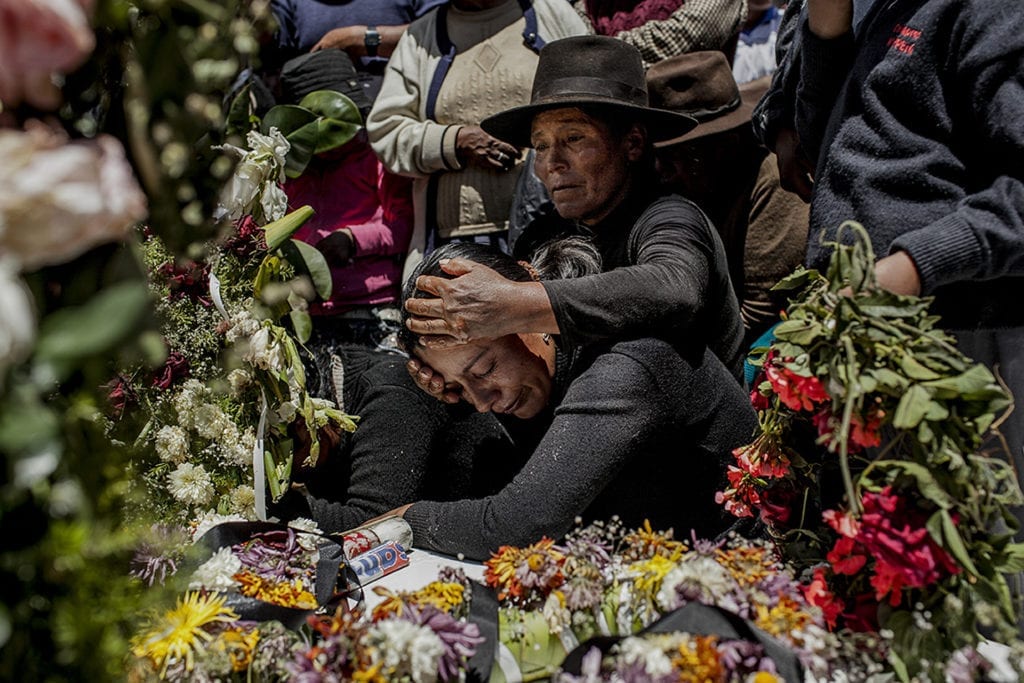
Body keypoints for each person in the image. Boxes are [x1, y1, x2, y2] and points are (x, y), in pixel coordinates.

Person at [404, 35, 746, 407]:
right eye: (541, 146)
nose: (553, 163)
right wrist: (456, 377)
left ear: (632, 143)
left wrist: (514, 303)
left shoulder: (669, 217)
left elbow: (675, 289)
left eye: (573, 137)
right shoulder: (542, 235)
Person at [386, 241, 757, 560]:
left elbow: (517, 524)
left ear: (519, 308)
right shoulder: (548, 369)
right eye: (460, 386)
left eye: (484, 369)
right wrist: (459, 399)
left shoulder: (624, 364)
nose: (481, 402)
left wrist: (405, 519)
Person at [794, 0, 1024, 498]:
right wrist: (826, 31)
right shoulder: (882, 9)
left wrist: (915, 266)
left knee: (974, 546)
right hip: (879, 337)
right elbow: (822, 150)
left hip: (962, 344)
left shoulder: (994, 12)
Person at [366, 0, 588, 282]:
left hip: (557, 236)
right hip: (457, 248)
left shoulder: (551, 14)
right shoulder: (422, 36)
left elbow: (595, 105)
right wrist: (455, 140)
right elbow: (387, 130)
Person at [270, 342, 527, 532]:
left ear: (305, 424)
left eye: (280, 460)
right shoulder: (324, 433)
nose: (283, 475)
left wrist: (266, 502)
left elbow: (372, 525)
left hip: (502, 539)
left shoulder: (390, 398)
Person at [646, 50, 808, 347]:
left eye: (681, 156)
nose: (661, 171)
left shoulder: (772, 182)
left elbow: (762, 313)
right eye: (657, 156)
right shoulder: (693, 181)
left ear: (726, 145)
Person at [270, 0, 447, 106]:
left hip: (398, 113)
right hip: (321, 129)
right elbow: (268, 48)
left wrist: (362, 39)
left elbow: (444, 30)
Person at [569, 0, 747, 68]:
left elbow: (676, 41)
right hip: (618, 133)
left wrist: (598, 51)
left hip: (701, 129)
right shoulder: (587, 5)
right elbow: (579, 53)